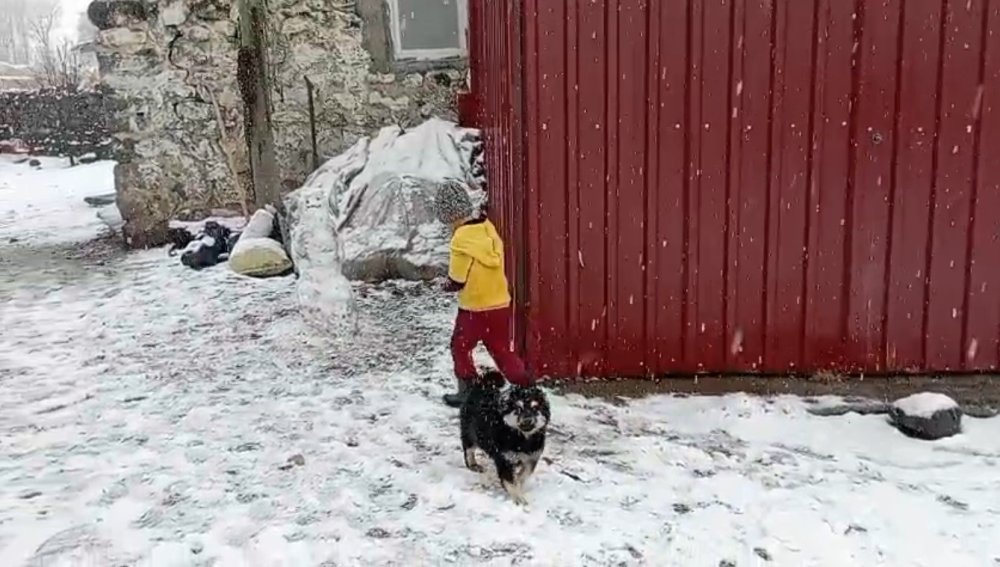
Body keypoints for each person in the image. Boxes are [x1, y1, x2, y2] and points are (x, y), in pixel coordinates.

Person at [434, 179, 532, 407]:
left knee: (460, 347)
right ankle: (525, 388)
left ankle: (467, 392)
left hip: (474, 309)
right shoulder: (487, 228)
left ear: (449, 215)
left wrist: (443, 284)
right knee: (501, 350)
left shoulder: (460, 239)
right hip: (500, 304)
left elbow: (457, 280)